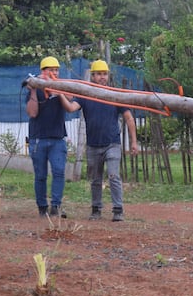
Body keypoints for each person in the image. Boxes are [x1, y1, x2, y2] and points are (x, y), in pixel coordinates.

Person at [70, 60, 138, 221]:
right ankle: (96, 209)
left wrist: (134, 142)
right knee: (95, 179)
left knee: (114, 176)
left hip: (112, 143)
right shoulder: (84, 94)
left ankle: (118, 210)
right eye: (99, 74)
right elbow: (71, 108)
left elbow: (129, 118)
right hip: (93, 145)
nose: (102, 77)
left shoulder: (114, 94)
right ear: (92, 76)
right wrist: (61, 95)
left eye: (104, 74)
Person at [26, 56, 74, 218]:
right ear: (42, 72)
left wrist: (58, 91)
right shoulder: (36, 88)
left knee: (59, 172)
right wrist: (33, 89)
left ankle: (56, 206)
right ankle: (42, 207)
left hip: (57, 138)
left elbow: (70, 103)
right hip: (38, 138)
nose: (54, 73)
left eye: (56, 70)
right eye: (50, 70)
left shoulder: (62, 87)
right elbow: (32, 113)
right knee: (40, 175)